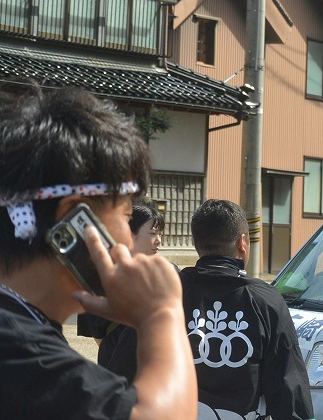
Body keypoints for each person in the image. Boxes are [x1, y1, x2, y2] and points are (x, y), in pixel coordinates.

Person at [0, 86, 196, 419]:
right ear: (74, 223)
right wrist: (161, 314)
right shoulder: (25, 354)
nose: (130, 239)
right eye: (127, 216)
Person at [180, 198, 313, 420]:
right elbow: (288, 384)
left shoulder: (170, 292)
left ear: (195, 242)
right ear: (242, 242)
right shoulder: (265, 300)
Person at [77, 198, 167, 381]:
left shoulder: (167, 273)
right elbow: (98, 334)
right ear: (129, 234)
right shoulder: (102, 276)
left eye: (160, 234)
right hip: (115, 372)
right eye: (152, 233)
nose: (158, 241)